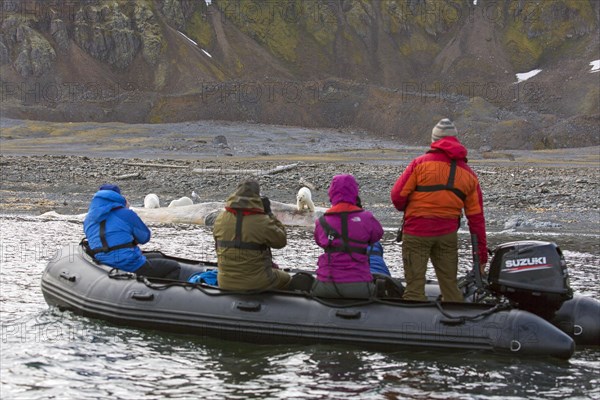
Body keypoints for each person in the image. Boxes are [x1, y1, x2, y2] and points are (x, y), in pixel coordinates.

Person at [390, 118, 488, 302]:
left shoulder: (419, 164)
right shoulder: (469, 175)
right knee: (450, 288)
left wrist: (411, 206)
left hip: (416, 233)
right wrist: (481, 255)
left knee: (414, 289)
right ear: (456, 140)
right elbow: (476, 219)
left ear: (434, 141)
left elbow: (397, 198)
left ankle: (413, 325)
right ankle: (456, 323)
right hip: (447, 236)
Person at [83, 184, 181, 279]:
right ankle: (155, 292)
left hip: (103, 262)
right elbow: (145, 237)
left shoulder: (88, 219)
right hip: (128, 264)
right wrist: (127, 209)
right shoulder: (126, 214)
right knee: (174, 267)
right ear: (118, 197)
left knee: (158, 256)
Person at [312, 174, 384, 298]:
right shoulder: (367, 217)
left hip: (326, 286)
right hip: (360, 286)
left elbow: (319, 241)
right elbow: (377, 236)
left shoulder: (321, 221)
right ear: (355, 193)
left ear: (331, 193)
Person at [212, 179, 290, 291]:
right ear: (257, 197)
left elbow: (216, 244)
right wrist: (269, 213)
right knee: (287, 279)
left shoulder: (220, 218)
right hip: (256, 283)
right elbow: (281, 241)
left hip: (224, 282)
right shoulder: (263, 221)